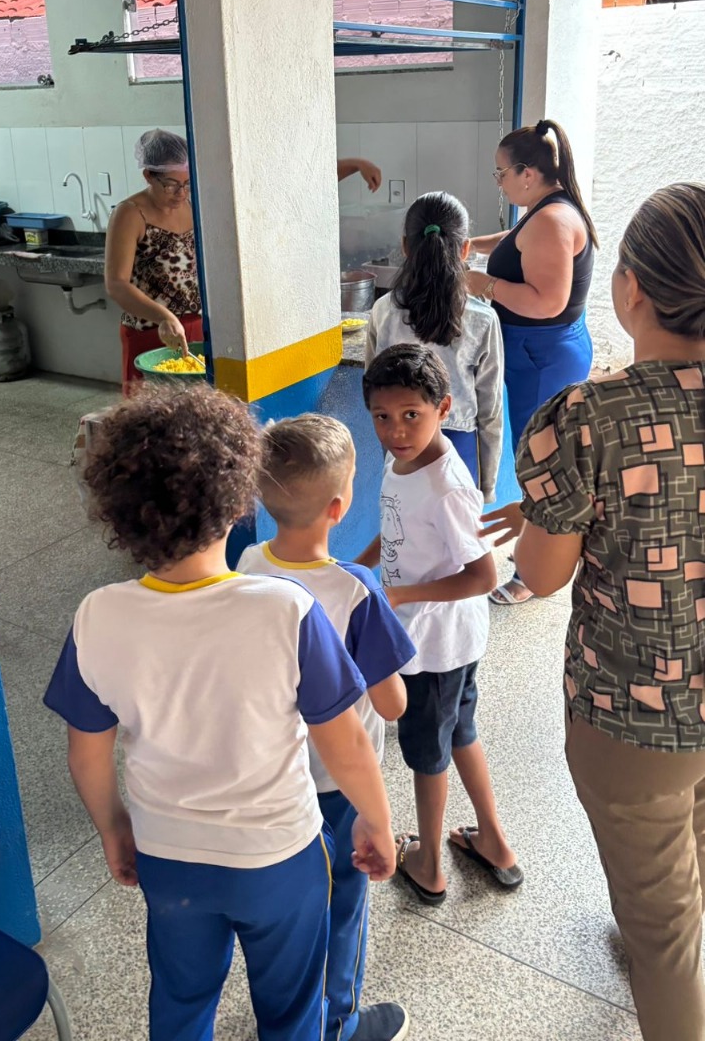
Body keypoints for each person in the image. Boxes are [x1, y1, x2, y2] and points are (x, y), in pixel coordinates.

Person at [43, 385, 396, 1041]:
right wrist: (375, 819)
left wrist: (115, 830)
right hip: (279, 859)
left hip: (169, 860)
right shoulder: (285, 609)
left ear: (121, 510)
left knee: (180, 1004)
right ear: (238, 497)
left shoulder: (97, 616)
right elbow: (345, 741)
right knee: (291, 1011)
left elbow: (85, 752)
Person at [482, 182, 705, 1041]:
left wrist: (549, 517)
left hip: (633, 717)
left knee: (667, 943)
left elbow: (540, 576)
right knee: (686, 866)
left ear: (630, 288)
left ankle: (658, 948)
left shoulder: (586, 415)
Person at [239, 414, 415, 1041]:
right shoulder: (355, 589)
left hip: (274, 776)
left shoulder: (248, 565)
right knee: (344, 906)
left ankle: (283, 1016)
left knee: (292, 907)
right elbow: (392, 704)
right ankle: (337, 1023)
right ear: (340, 507)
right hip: (340, 786)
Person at [358, 344, 521, 904]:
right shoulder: (401, 459)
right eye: (382, 416)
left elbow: (483, 575)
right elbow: (393, 523)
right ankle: (494, 842)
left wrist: (403, 592)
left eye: (411, 416)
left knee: (429, 754)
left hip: (436, 646)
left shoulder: (447, 486)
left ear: (444, 408)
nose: (396, 430)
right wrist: (361, 566)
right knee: (459, 734)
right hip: (440, 639)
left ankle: (428, 865)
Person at [468, 118, 598, 604]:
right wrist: (477, 245)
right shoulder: (546, 208)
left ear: (527, 172)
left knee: (540, 463)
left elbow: (547, 301)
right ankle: (544, 552)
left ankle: (531, 574)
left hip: (543, 356)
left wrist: (483, 284)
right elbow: (517, 239)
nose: (498, 181)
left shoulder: (551, 220)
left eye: (500, 173)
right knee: (544, 455)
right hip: (543, 350)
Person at [365, 192, 503, 502]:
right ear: (465, 249)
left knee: (404, 536)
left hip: (400, 443)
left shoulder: (383, 311)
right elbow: (490, 412)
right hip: (459, 445)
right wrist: (488, 485)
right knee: (457, 543)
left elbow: (374, 394)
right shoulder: (483, 320)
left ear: (405, 247)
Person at [105, 130, 203, 393]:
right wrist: (163, 316)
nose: (181, 193)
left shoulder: (191, 206)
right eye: (171, 185)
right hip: (150, 330)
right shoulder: (130, 213)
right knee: (149, 419)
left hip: (194, 326)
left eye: (186, 183)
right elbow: (116, 284)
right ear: (148, 175)